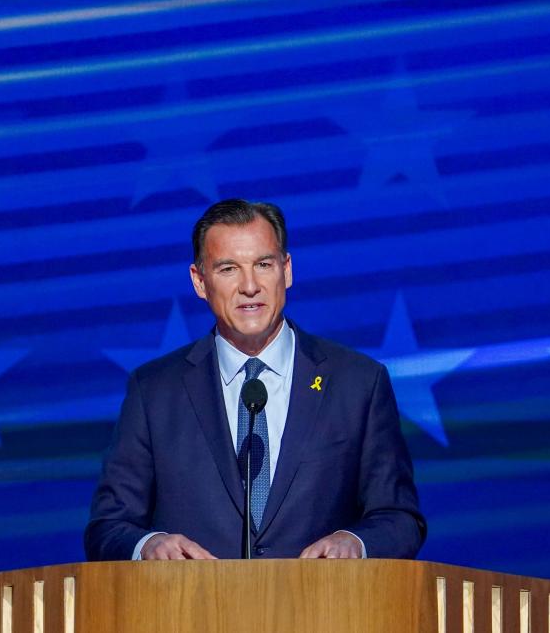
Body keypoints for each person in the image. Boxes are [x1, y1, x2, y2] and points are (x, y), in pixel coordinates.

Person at [85, 199, 425, 560]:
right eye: (228, 269)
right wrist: (148, 546)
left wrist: (355, 542)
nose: (250, 286)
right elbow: (108, 527)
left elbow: (399, 518)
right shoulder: (153, 392)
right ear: (200, 282)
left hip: (323, 610)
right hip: (192, 611)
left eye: (263, 264)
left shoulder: (358, 383)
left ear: (287, 270)